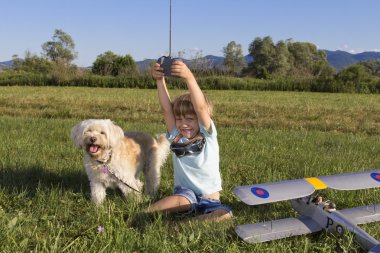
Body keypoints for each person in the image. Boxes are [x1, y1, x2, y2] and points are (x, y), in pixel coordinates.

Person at [145, 60, 232, 221]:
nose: (183, 124)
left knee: (225, 214)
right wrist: (159, 80)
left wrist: (189, 78)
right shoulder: (176, 135)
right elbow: (166, 109)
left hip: (210, 199)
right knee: (178, 200)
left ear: (199, 119)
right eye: (179, 118)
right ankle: (144, 214)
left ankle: (187, 224)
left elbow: (200, 108)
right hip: (185, 196)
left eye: (190, 119)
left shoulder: (208, 134)